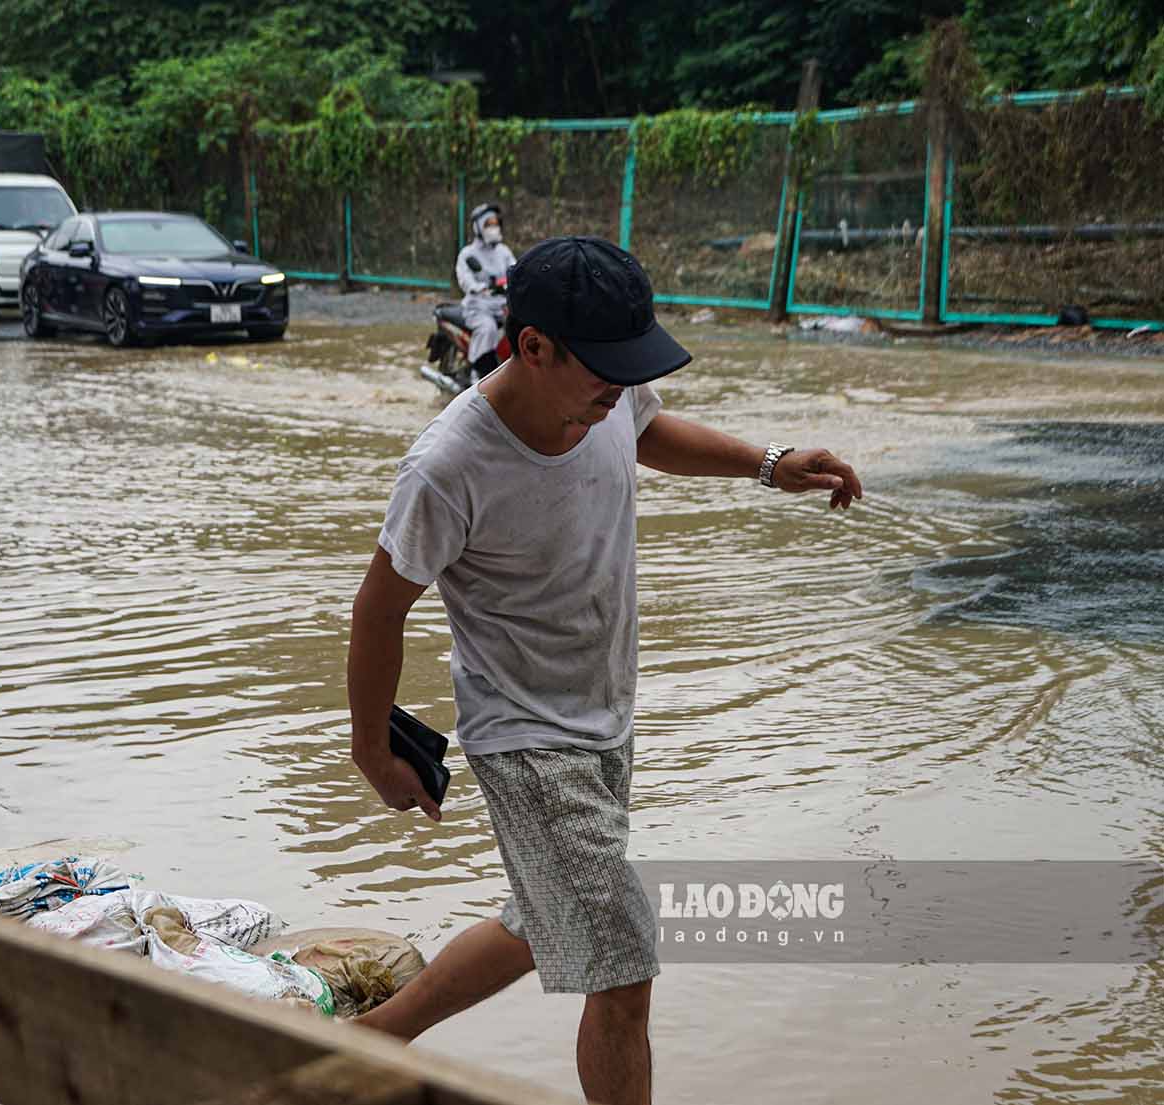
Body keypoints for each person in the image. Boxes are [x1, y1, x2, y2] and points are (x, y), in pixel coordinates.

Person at [346, 236, 863, 1105]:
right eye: (603, 375)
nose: (617, 394)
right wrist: (372, 749)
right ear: (532, 346)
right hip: (525, 735)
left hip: (604, 714)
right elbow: (378, 609)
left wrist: (768, 466)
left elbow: (649, 430)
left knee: (539, 919)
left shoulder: (604, 393)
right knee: (623, 968)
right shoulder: (447, 466)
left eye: (629, 373)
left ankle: (365, 1040)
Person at [454, 203, 517, 381]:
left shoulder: (503, 251)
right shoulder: (467, 254)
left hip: (502, 306)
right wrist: (478, 287)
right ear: (478, 227)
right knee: (487, 328)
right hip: (478, 307)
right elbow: (465, 279)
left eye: (495, 224)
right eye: (488, 224)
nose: (493, 228)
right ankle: (477, 373)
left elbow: (515, 270)